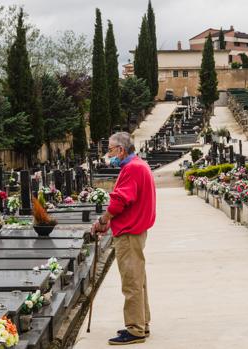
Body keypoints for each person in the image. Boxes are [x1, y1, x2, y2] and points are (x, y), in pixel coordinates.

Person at [92, 132, 156, 345]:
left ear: (120, 149)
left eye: (110, 149)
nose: (108, 154)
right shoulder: (139, 165)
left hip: (129, 232)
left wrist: (103, 219)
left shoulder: (131, 168)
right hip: (136, 228)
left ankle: (135, 329)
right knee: (138, 279)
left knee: (131, 281)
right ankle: (141, 322)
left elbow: (119, 201)